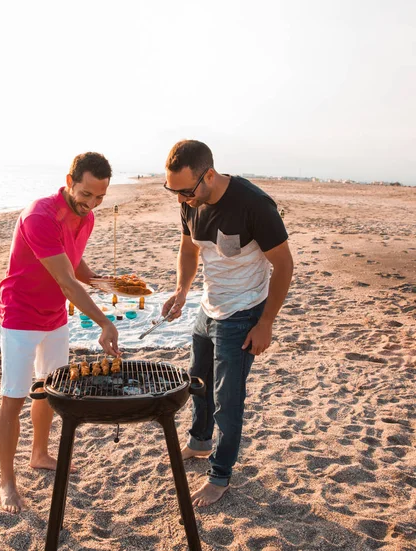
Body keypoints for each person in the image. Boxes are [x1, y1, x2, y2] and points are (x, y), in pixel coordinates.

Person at [161, 140, 294, 507]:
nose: (180, 200)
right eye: (172, 191)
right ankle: (201, 443)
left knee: (227, 398)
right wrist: (182, 291)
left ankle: (220, 475)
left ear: (209, 175)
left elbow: (284, 266)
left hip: (244, 312)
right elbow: (189, 249)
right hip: (209, 307)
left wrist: (266, 322)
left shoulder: (253, 204)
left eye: (186, 191)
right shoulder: (190, 203)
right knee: (197, 382)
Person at [0, 152, 121, 513]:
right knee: (14, 398)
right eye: (86, 195)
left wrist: (100, 280)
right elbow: (66, 282)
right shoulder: (39, 215)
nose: (92, 204)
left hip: (54, 318)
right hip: (20, 315)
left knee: (49, 391)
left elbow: (74, 261)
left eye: (100, 197)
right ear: (69, 181)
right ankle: (6, 481)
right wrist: (104, 322)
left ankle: (39, 454)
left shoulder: (87, 216)